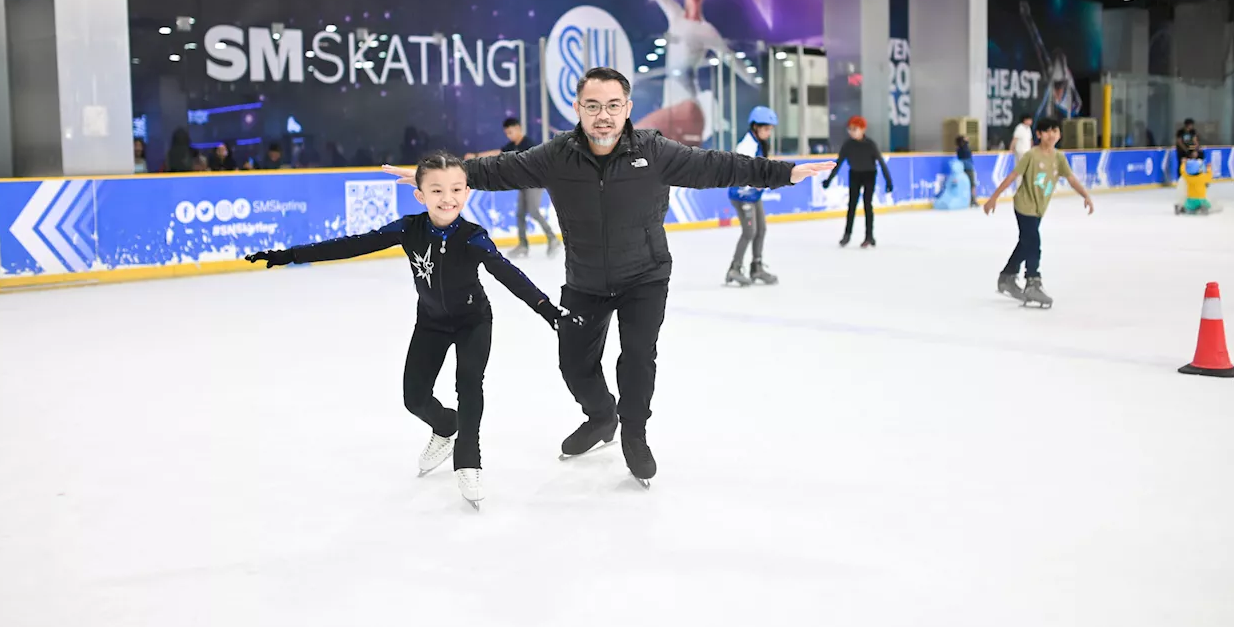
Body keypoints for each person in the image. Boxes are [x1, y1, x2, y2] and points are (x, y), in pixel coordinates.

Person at [383, 67, 830, 484]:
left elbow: (719, 165)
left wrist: (784, 173)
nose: (604, 115)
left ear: (627, 108)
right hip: (585, 280)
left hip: (645, 275)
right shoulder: (556, 156)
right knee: (573, 362)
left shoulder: (654, 151)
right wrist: (437, 176)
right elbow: (496, 170)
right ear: (578, 109)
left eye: (613, 105)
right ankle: (602, 417)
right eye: (593, 105)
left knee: (637, 357)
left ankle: (634, 433)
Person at [244, 153, 580, 508]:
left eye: (455, 189)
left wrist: (548, 312)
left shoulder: (473, 237)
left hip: (473, 321)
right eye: (436, 190)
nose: (446, 198)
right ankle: (445, 425)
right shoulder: (409, 229)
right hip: (431, 322)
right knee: (414, 398)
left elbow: (509, 274)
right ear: (420, 195)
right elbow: (352, 244)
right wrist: (289, 255)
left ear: (467, 192)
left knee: (469, 383)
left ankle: (468, 459)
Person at [609, 0, 752, 146]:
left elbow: (731, 60)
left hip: (688, 109)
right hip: (672, 108)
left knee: (630, 140)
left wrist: (756, 81)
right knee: (672, 173)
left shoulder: (706, 30)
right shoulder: (674, 16)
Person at [984, 117, 1094, 308]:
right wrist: (993, 197)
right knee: (1034, 242)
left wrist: (1085, 195)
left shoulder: (1059, 158)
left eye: (1055, 131)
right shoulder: (1031, 155)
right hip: (1024, 205)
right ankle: (1032, 280)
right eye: (1047, 131)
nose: (1052, 135)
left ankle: (1007, 276)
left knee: (1026, 242)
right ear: (1039, 134)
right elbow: (1012, 176)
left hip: (1038, 208)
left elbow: (1071, 178)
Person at [468, 117, 559, 259]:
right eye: (507, 133)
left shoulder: (528, 144)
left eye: (511, 132)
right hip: (523, 184)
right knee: (520, 214)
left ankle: (552, 238)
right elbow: (497, 153)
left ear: (518, 128)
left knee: (533, 211)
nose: (509, 135)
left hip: (536, 182)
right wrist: (476, 156)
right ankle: (523, 245)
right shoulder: (512, 145)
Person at [726, 106, 780, 286]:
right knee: (749, 232)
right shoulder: (746, 146)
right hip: (742, 196)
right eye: (766, 129)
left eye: (770, 130)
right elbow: (740, 172)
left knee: (761, 229)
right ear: (755, 127)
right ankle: (734, 268)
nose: (768, 133)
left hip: (753, 196)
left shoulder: (760, 144)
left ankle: (756, 267)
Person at [823, 116, 893, 248]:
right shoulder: (848, 145)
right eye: (849, 129)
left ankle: (869, 235)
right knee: (852, 205)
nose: (851, 131)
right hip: (854, 174)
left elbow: (881, 163)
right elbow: (838, 163)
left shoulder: (870, 145)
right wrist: (829, 179)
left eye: (854, 129)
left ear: (862, 129)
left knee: (868, 205)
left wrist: (888, 181)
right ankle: (847, 234)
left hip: (869, 175)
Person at [954, 134, 977, 206]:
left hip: (962, 168)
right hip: (968, 168)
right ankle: (973, 200)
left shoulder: (958, 149)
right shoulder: (965, 148)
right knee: (972, 185)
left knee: (964, 185)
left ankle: (968, 200)